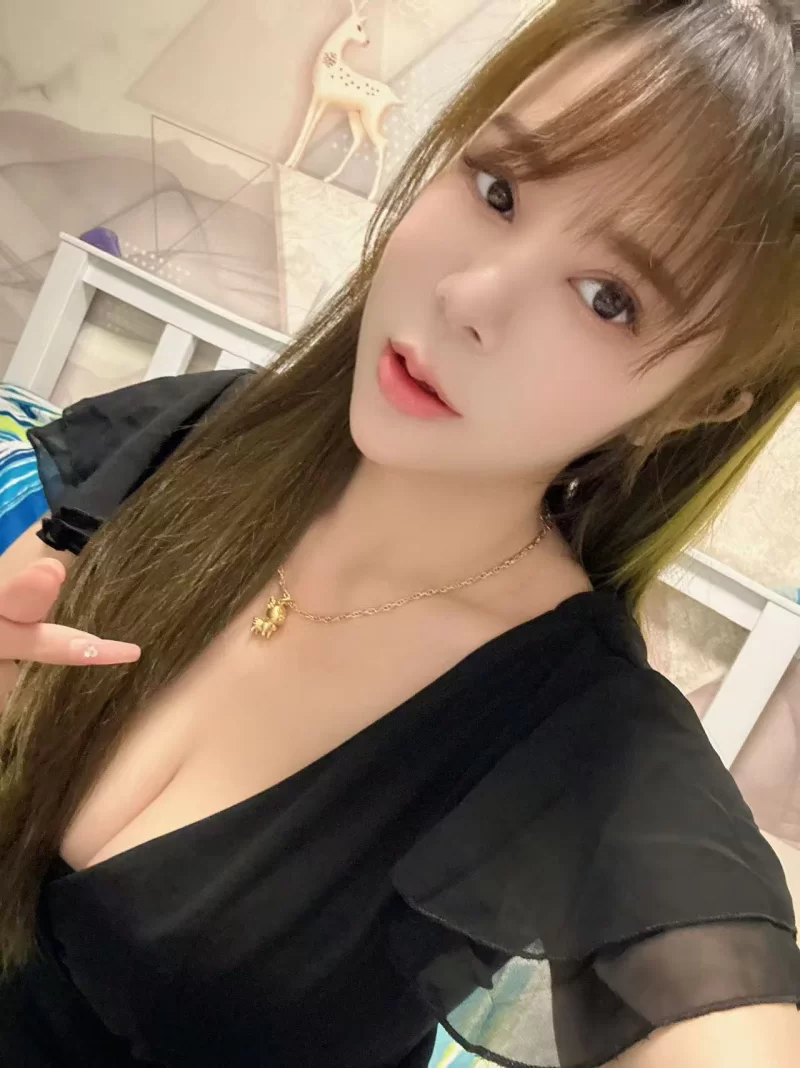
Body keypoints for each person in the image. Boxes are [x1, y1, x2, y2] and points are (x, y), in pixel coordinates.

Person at [0, 0, 798, 1065]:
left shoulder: (587, 744)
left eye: (607, 298)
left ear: (697, 404)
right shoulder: (195, 435)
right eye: (498, 189)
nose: (470, 295)